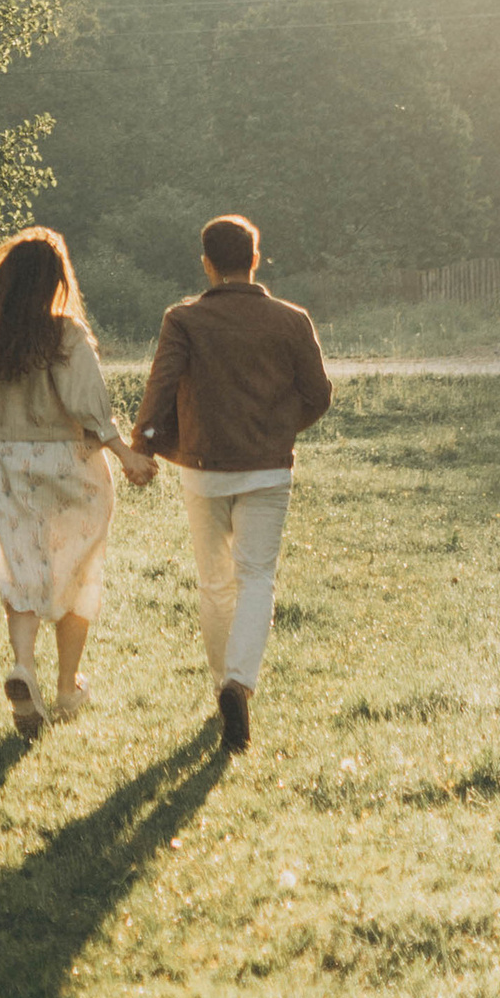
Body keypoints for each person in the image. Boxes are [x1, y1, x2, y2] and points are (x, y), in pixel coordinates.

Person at [131, 212, 331, 756]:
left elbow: (162, 383)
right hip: (268, 468)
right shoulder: (292, 319)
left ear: (207, 264)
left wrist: (142, 445)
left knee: (215, 583)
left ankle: (223, 685)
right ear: (255, 259)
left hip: (201, 470)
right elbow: (319, 395)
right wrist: (278, 429)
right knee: (257, 577)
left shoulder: (184, 319)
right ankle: (238, 684)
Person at [0, 227, 157, 741]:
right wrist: (125, 454)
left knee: (21, 564)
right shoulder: (66, 334)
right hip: (71, 459)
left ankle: (24, 666)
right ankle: (67, 687)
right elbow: (87, 405)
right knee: (79, 568)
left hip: (14, 460)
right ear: (54, 282)